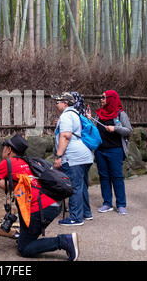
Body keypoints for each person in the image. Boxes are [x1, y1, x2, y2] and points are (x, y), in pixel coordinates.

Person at [0, 134, 79, 261]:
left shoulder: (8, 163)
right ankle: (26, 236)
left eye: (4, 147)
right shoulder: (26, 162)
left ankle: (64, 241)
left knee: (25, 248)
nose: (3, 150)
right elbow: (11, 188)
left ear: (9, 149)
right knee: (24, 229)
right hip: (52, 204)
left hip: (41, 208)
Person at [52, 92, 94, 226]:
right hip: (84, 156)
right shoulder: (76, 114)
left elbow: (65, 136)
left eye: (58, 101)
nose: (56, 104)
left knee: (75, 187)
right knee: (81, 186)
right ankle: (86, 213)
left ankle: (76, 218)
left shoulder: (66, 116)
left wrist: (58, 156)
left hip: (74, 157)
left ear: (65, 103)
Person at [91, 90, 132, 215]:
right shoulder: (98, 115)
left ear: (111, 98)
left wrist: (115, 128)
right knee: (104, 177)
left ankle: (121, 204)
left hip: (115, 150)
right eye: (101, 97)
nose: (101, 100)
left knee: (117, 177)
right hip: (100, 150)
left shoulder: (120, 114)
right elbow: (93, 129)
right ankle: (107, 203)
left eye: (103, 97)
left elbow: (128, 130)